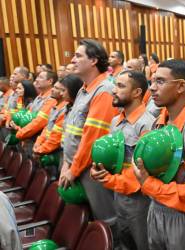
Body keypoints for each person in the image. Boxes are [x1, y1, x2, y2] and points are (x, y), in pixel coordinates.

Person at [133, 59, 185, 250]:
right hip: (155, 209)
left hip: (183, 218)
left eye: (160, 82)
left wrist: (149, 184)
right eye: (152, 82)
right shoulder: (158, 123)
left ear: (181, 86)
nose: (152, 88)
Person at [90, 70, 155, 250]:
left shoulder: (147, 124)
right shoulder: (115, 121)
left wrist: (108, 180)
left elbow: (142, 172)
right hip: (119, 197)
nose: (114, 90)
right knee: (126, 243)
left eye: (120, 86)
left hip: (139, 202)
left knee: (143, 244)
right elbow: (112, 159)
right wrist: (98, 168)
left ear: (137, 92)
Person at [58, 39, 118, 231]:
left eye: (78, 56)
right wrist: (67, 162)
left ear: (93, 61)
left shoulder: (104, 91)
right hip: (77, 165)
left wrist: (73, 169)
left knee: (105, 222)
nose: (73, 60)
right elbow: (73, 132)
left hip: (92, 168)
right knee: (89, 221)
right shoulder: (84, 90)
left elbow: (92, 138)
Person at [33, 75, 83, 179]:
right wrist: (38, 144)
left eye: (63, 90)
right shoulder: (67, 107)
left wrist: (40, 150)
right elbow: (48, 128)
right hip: (64, 154)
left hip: (74, 157)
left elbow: (57, 136)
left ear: (73, 90)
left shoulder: (80, 110)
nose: (61, 93)